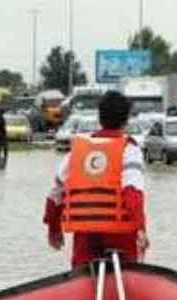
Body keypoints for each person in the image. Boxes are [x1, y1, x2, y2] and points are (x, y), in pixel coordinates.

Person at [43, 90, 149, 268]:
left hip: (86, 234)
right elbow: (132, 191)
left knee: (83, 276)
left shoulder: (78, 151)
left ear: (99, 118)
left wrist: (54, 228)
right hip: (121, 234)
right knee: (127, 277)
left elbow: (55, 194)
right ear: (126, 120)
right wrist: (140, 228)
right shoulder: (129, 150)